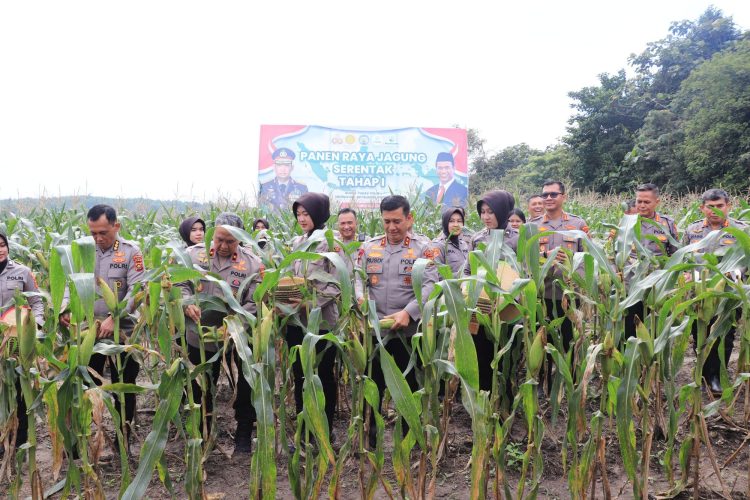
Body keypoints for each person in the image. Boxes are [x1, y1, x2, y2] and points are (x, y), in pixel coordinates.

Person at [178, 212, 264, 454]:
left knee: (246, 386)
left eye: (230, 241)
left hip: (237, 336)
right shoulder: (193, 255)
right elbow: (178, 282)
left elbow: (255, 300)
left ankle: (244, 435)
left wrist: (235, 324)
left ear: (240, 239)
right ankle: (202, 435)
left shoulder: (252, 263)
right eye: (219, 239)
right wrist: (186, 302)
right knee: (200, 386)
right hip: (200, 335)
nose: (223, 246)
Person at [355, 195, 431, 446]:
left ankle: (411, 441)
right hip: (376, 332)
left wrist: (408, 312)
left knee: (409, 387)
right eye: (386, 221)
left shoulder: (423, 249)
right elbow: (358, 280)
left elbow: (432, 284)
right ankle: (371, 441)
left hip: (409, 334)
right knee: (373, 386)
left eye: (397, 221)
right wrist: (361, 299)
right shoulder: (369, 248)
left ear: (409, 219)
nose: (391, 227)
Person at [85, 204, 146, 452]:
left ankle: (123, 441)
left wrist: (115, 315)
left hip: (125, 332)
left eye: (103, 233)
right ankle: (87, 438)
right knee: (88, 386)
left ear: (116, 226)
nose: (98, 239)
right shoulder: (84, 251)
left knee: (124, 387)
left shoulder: (131, 252)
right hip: (91, 332)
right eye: (93, 233)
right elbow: (70, 284)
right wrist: (65, 309)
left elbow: (137, 289)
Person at [283, 193, 342, 441]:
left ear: (318, 213)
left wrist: (311, 302)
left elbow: (339, 284)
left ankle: (325, 430)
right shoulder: (297, 242)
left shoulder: (332, 242)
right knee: (300, 375)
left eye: (306, 214)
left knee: (325, 375)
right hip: (297, 322)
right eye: (298, 215)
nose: (302, 219)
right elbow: (288, 276)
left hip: (323, 321)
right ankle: (304, 429)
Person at [683, 189, 747, 393]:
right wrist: (684, 275)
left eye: (720, 206)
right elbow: (683, 258)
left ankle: (717, 377)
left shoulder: (742, 230)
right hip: (698, 293)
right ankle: (702, 376)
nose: (715, 211)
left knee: (725, 335)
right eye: (710, 207)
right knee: (699, 333)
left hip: (728, 295)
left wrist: (737, 274)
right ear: (702, 208)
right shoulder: (692, 231)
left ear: (728, 205)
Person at [529, 181, 588, 363]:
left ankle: (572, 380)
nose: (548, 198)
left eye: (553, 194)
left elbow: (588, 257)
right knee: (544, 341)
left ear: (563, 197)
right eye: (545, 194)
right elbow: (525, 259)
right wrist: (544, 256)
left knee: (571, 340)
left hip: (570, 295)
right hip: (543, 295)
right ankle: (545, 381)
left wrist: (575, 276)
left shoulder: (577, 223)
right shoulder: (532, 226)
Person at [466, 191, 517, 393]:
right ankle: (483, 404)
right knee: (482, 358)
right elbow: (469, 270)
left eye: (491, 212)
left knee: (506, 362)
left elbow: (526, 276)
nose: (486, 217)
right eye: (482, 212)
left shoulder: (518, 239)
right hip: (481, 310)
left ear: (503, 212)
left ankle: (505, 405)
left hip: (509, 310)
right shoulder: (477, 239)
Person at [0, 231, 44, 455]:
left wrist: (35, 326)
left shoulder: (22, 272)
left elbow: (37, 302)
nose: (0, 249)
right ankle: (2, 438)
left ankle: (21, 439)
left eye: (2, 245)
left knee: (19, 387)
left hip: (18, 340)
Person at [622, 183, 679, 341]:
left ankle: (653, 364)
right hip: (630, 287)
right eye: (639, 201)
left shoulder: (667, 224)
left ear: (657, 202)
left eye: (646, 202)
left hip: (657, 290)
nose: (641, 205)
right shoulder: (626, 224)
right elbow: (616, 254)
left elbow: (675, 255)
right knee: (630, 332)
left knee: (656, 332)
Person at [426, 206, 470, 277]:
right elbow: (434, 275)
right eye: (451, 221)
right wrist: (462, 277)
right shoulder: (436, 246)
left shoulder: (464, 244)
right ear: (445, 223)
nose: (456, 225)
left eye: (459, 221)